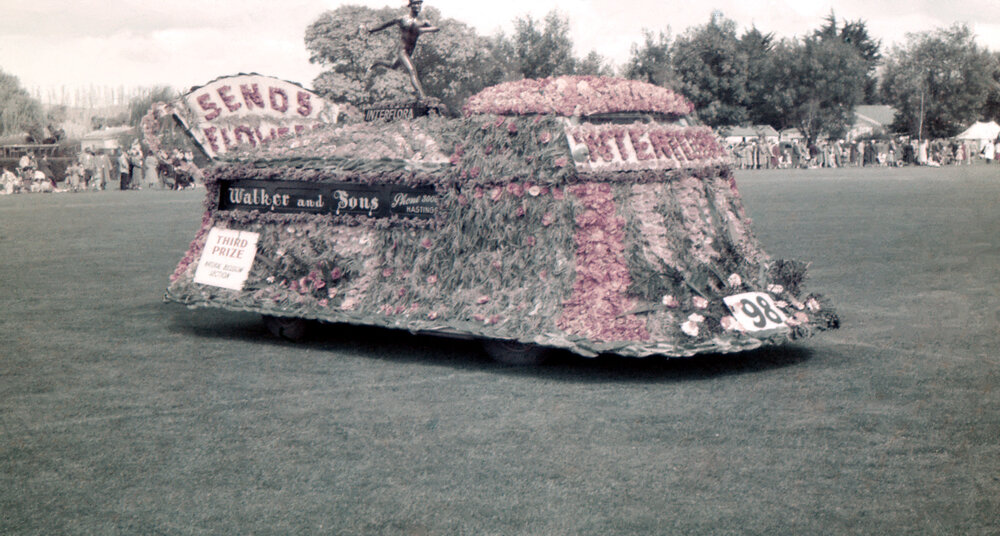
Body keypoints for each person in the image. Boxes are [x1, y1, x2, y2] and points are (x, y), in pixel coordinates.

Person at [365, 0, 439, 99]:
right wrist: (372, 30)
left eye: (419, 4)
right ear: (410, 5)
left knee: (393, 65)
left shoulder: (423, 22)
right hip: (402, 50)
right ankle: (422, 96)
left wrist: (422, 30)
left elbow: (436, 28)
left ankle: (377, 62)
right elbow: (385, 25)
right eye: (415, 4)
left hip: (410, 52)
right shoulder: (402, 19)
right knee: (412, 71)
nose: (417, 6)